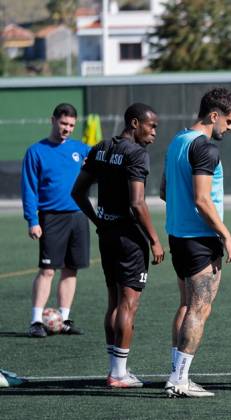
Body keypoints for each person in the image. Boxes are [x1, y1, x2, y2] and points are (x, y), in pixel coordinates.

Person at [71, 103, 164, 388]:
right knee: (128, 303)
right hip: (129, 238)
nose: (155, 132)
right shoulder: (137, 154)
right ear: (135, 123)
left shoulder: (100, 147)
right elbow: (137, 203)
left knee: (114, 300)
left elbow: (77, 192)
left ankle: (115, 369)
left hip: (107, 234)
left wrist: (97, 220)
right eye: (151, 126)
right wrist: (155, 240)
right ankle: (119, 374)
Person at [161, 88, 231, 398]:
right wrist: (226, 235)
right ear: (214, 115)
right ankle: (179, 380)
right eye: (229, 121)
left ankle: (176, 374)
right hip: (200, 239)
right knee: (199, 308)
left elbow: (165, 190)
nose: (230, 128)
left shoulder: (177, 140)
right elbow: (202, 199)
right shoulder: (205, 148)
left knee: (186, 305)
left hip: (178, 236)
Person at [21, 103, 90, 338]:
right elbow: (29, 188)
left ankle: (64, 318)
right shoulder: (36, 151)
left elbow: (102, 164)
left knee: (71, 269)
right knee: (48, 270)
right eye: (63, 123)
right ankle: (36, 321)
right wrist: (32, 220)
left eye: (71, 125)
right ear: (53, 121)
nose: (67, 129)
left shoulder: (81, 149)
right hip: (51, 217)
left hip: (78, 216)